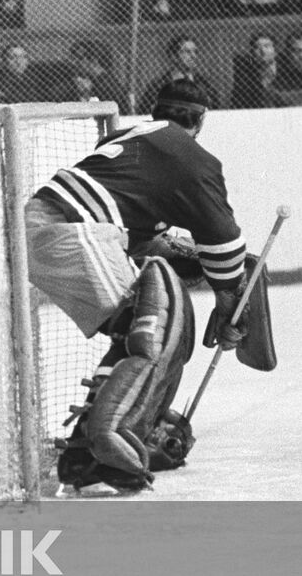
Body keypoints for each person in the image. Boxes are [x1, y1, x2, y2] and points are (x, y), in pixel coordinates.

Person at [25, 79, 249, 491]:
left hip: (50, 231)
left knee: (136, 328)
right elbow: (224, 241)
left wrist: (181, 256)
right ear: (200, 120)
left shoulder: (132, 138)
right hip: (75, 233)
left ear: (156, 110)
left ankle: (82, 454)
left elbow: (138, 234)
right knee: (155, 331)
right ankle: (100, 455)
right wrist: (229, 300)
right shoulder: (193, 157)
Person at [137, 33, 220, 112]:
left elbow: (216, 106)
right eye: (187, 52)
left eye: (195, 52)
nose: (193, 56)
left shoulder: (203, 84)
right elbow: (145, 109)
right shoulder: (159, 85)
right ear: (173, 56)